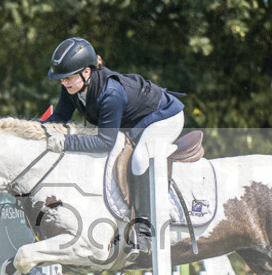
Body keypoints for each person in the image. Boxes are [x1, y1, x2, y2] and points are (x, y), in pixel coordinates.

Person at [43, 37, 185, 257]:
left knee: (139, 159)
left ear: (86, 72)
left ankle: (144, 230)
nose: (64, 83)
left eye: (68, 77)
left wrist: (66, 142)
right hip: (135, 123)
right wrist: (35, 131)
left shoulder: (111, 93)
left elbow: (105, 142)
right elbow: (60, 117)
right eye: (62, 79)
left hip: (164, 118)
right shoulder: (72, 86)